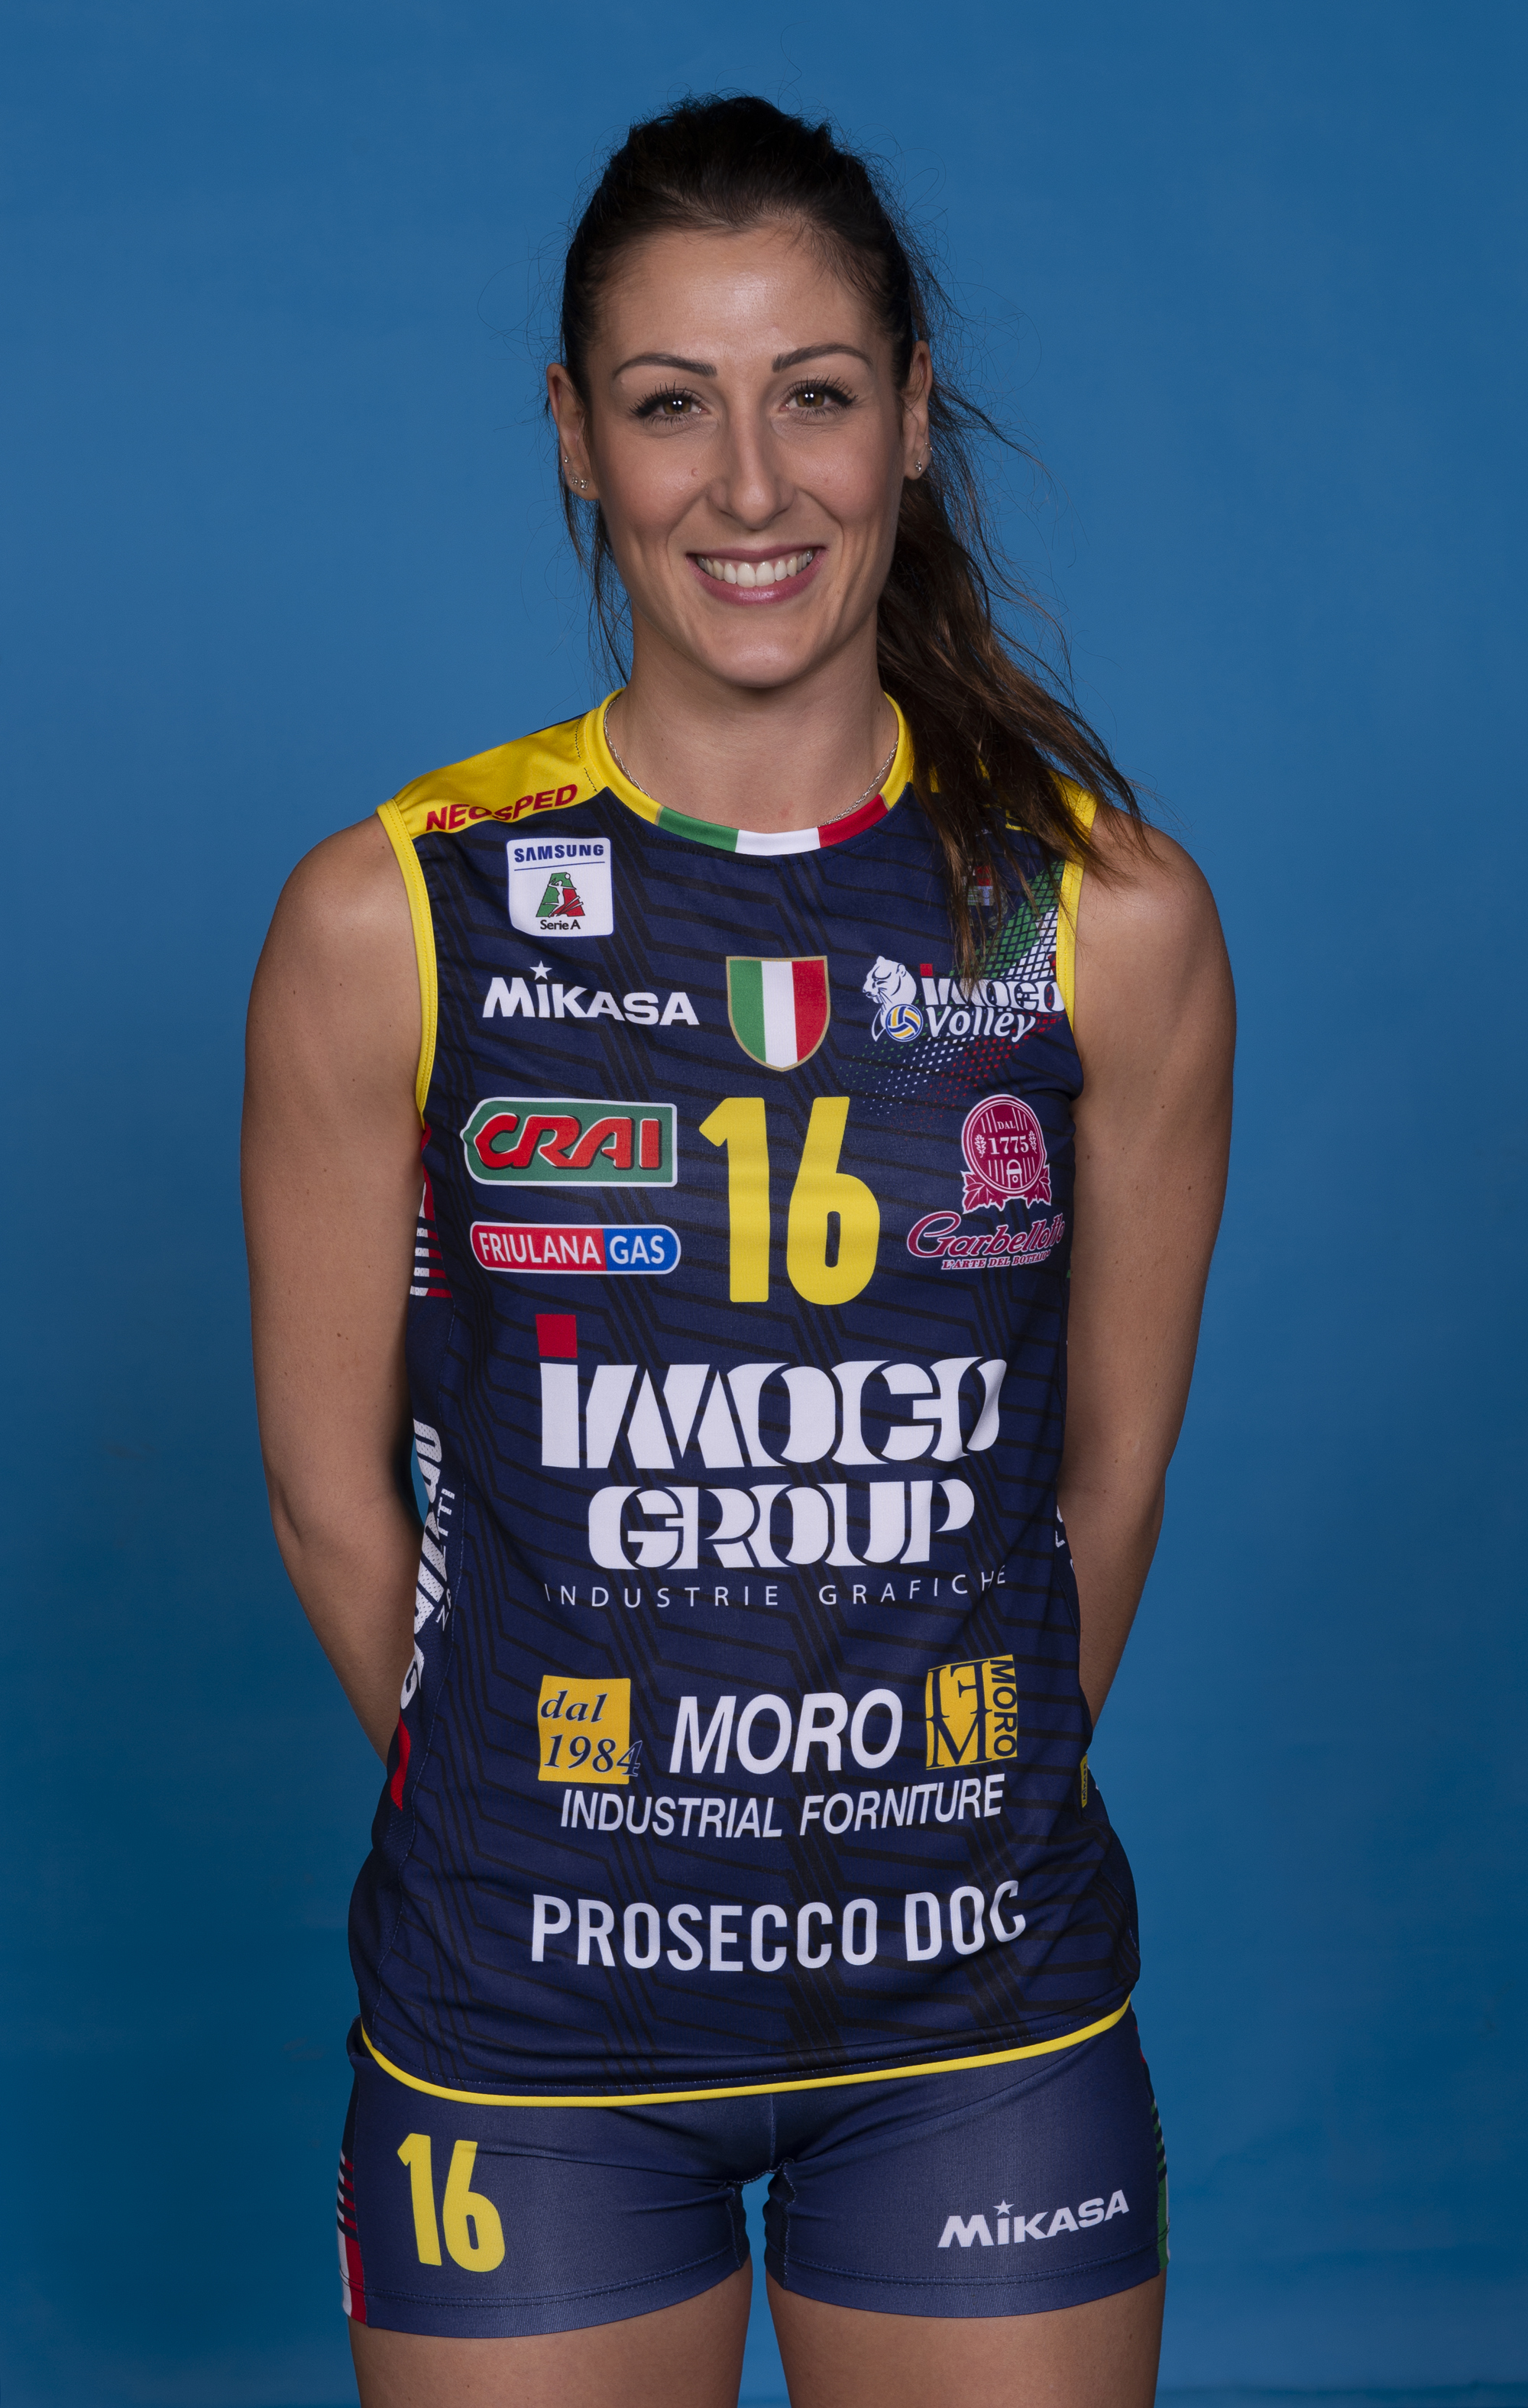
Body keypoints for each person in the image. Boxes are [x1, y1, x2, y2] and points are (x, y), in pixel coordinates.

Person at [242, 93, 1233, 2408]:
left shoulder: (1108, 918)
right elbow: (323, 1495)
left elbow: (1107, 1479)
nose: (753, 485)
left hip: (978, 2011)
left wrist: (925, 1804)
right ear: (576, 438)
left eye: (816, 395)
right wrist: (559, 1806)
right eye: (675, 405)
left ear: (911, 417)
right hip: (527, 2020)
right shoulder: (396, 914)